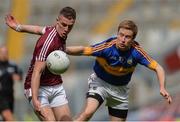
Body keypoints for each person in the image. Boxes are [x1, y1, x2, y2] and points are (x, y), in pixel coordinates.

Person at [6, 15, 172, 121]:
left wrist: (162, 87)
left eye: (127, 37)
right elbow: (85, 50)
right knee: (87, 113)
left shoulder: (137, 52)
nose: (122, 39)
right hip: (100, 83)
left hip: (120, 91)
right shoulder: (108, 46)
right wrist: (64, 50)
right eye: (121, 34)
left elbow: (159, 68)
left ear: (133, 39)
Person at [5, 6, 76, 121]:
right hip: (38, 88)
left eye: (70, 26)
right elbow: (37, 72)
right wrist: (35, 98)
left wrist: (18, 27)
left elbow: (38, 29)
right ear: (57, 21)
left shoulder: (56, 31)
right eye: (64, 25)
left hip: (55, 85)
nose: (66, 29)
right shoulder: (47, 42)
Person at [0, 45, 22, 121]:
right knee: (10, 118)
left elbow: (20, 76)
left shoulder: (13, 65)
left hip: (10, 96)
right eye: (2, 52)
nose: (4, 54)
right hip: (1, 96)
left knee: (6, 119)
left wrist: (17, 77)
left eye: (6, 52)